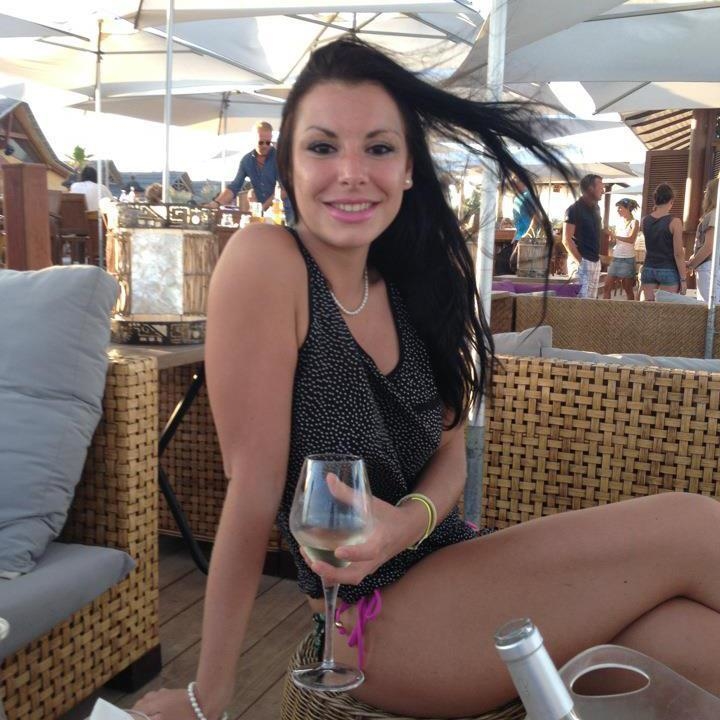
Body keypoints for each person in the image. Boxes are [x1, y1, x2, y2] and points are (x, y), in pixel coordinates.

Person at [134, 37, 720, 720]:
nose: (351, 172)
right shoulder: (269, 262)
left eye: (378, 148)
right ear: (287, 165)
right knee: (691, 522)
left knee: (691, 640)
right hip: (372, 622)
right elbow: (253, 489)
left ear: (409, 168)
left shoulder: (416, 283)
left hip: (452, 571)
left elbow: (450, 454)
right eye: (322, 147)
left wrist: (401, 525)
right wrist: (208, 696)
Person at [208, 121, 294, 222]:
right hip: (263, 215)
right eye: (261, 142)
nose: (265, 146)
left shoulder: (280, 158)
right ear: (253, 140)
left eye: (268, 142)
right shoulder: (246, 161)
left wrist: (262, 208)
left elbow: (284, 190)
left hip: (285, 215)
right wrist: (216, 203)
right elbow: (234, 187)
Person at [640, 183, 686, 301]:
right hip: (668, 269)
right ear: (671, 201)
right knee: (666, 309)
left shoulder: (644, 221)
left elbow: (649, 247)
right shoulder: (675, 222)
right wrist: (683, 279)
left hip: (648, 268)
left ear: (655, 200)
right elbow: (678, 254)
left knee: (649, 309)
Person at [563, 174, 604, 298]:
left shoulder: (597, 208)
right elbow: (566, 239)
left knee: (590, 303)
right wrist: (581, 262)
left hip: (595, 262)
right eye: (600, 187)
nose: (603, 190)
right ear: (590, 188)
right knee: (579, 303)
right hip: (582, 261)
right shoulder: (573, 210)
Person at [687, 176, 719, 303]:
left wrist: (692, 265)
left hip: (709, 268)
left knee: (708, 308)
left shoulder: (714, 214)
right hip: (714, 267)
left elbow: (709, 247)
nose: (704, 194)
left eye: (706, 191)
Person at [602, 197, 640, 300]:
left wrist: (614, 236)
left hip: (628, 259)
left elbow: (631, 239)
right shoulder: (619, 223)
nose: (618, 210)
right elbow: (618, 240)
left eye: (620, 208)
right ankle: (604, 309)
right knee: (607, 287)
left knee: (627, 288)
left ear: (628, 209)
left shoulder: (635, 222)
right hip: (616, 258)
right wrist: (612, 238)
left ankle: (629, 308)